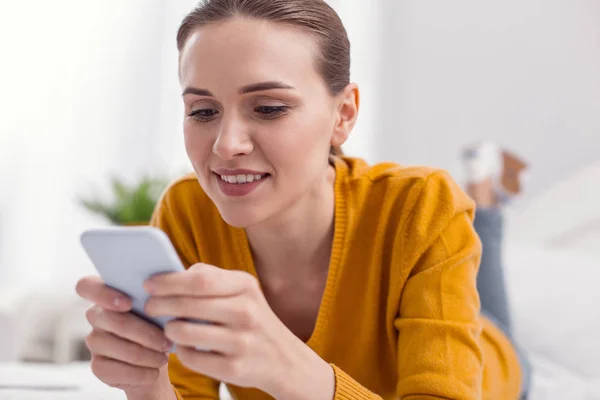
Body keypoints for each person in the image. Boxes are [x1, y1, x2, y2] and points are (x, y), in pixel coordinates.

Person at [75, 1, 527, 399]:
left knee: (491, 302)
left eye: (269, 108)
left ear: (343, 115)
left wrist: (290, 370)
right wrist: (147, 387)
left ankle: (484, 195)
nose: (225, 145)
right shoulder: (189, 210)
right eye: (203, 111)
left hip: (496, 366)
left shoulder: (422, 204)